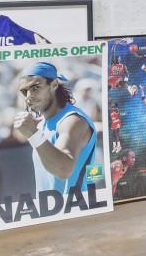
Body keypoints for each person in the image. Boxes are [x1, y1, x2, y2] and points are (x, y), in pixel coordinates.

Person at [10, 62, 100, 195]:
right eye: (24, 91)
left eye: (35, 87)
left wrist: (33, 134)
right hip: (53, 212)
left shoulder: (73, 120)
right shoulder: (42, 125)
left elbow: (63, 170)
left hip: (77, 212)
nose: (28, 96)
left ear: (54, 85)